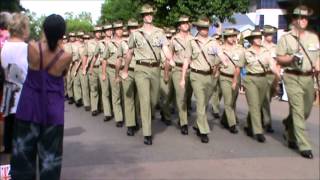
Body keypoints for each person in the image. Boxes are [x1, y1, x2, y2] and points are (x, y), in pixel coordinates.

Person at [10, 14, 72, 179]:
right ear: (62, 34)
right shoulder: (66, 56)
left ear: (44, 29)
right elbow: (63, 73)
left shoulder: (32, 47)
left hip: (28, 108)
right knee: (50, 161)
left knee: (23, 157)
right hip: (53, 111)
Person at [121, 4, 173, 145]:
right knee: (144, 99)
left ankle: (144, 118)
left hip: (155, 69)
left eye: (151, 14)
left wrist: (170, 58)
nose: (149, 16)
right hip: (141, 68)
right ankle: (147, 133)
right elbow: (129, 53)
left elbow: (165, 48)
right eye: (146, 14)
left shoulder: (160, 33)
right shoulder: (136, 34)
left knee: (153, 100)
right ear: (143, 17)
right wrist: (125, 70)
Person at [276, 5, 319, 159]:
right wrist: (291, 58)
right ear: (294, 19)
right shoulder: (286, 38)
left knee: (306, 110)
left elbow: (318, 55)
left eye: (306, 18)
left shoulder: (313, 37)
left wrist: (317, 64)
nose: (303, 20)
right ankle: (304, 145)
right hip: (292, 76)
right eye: (300, 17)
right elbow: (279, 58)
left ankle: (288, 123)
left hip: (308, 78)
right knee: (299, 111)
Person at [180, 17, 220, 143]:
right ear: (197, 28)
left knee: (205, 103)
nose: (205, 30)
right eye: (202, 28)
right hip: (196, 75)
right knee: (200, 102)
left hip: (209, 76)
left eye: (207, 28)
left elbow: (219, 56)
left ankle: (198, 124)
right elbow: (186, 60)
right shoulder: (192, 42)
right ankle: (203, 131)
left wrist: (219, 67)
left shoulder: (214, 42)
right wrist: (182, 78)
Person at [241, 28, 279, 143]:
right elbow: (239, 67)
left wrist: (277, 75)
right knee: (254, 104)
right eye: (256, 38)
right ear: (252, 40)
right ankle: (258, 131)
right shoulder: (246, 52)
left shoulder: (266, 52)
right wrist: (239, 81)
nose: (258, 39)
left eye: (259, 37)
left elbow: (272, 64)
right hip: (250, 79)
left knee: (258, 104)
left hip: (263, 79)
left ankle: (249, 124)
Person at [0, 13, 29, 154]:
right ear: (23, 28)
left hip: (8, 98)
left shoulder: (4, 47)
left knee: (9, 146)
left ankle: (7, 174)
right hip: (22, 100)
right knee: (22, 146)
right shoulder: (26, 48)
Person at [217, 28, 244, 134]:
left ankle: (224, 119)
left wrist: (235, 81)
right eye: (230, 36)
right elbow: (216, 62)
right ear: (226, 37)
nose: (233, 38)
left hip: (236, 77)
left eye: (234, 36)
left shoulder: (240, 49)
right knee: (228, 100)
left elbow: (240, 65)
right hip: (224, 77)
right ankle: (232, 124)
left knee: (232, 100)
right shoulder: (221, 49)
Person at [115, 19, 140, 136]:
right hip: (128, 72)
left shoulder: (142, 41)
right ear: (128, 30)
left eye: (135, 27)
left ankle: (136, 120)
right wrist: (117, 74)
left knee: (138, 99)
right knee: (128, 98)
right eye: (131, 28)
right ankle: (130, 124)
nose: (133, 30)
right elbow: (119, 59)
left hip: (141, 72)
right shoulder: (123, 43)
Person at [171, 15, 193, 135]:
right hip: (178, 70)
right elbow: (170, 54)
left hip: (191, 70)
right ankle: (184, 122)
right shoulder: (174, 40)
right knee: (181, 96)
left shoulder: (193, 39)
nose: (186, 24)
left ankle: (182, 115)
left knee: (188, 96)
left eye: (187, 22)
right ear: (179, 26)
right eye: (183, 23)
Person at [102, 21, 124, 127]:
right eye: (118, 29)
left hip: (125, 70)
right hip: (112, 70)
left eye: (121, 28)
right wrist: (103, 73)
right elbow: (104, 59)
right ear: (114, 30)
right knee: (116, 94)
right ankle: (119, 118)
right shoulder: (110, 44)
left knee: (126, 94)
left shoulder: (127, 41)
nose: (120, 30)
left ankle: (128, 116)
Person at [261, 25, 280, 133]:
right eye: (268, 34)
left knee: (268, 99)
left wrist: (277, 77)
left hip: (272, 75)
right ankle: (267, 123)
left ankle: (257, 119)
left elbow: (278, 63)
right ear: (264, 35)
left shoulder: (275, 47)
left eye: (271, 34)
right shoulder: (260, 46)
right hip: (262, 75)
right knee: (265, 100)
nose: (270, 36)